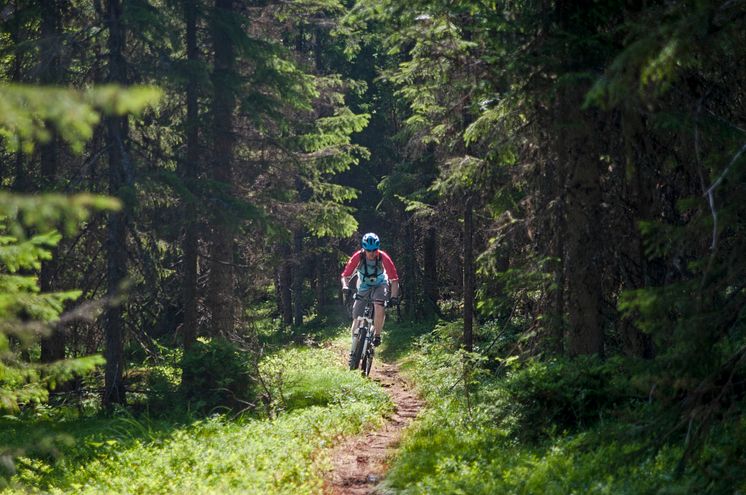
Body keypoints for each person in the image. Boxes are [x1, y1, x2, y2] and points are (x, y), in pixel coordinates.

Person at [340, 232, 400, 347]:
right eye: (369, 250)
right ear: (364, 249)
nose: (372, 253)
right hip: (364, 285)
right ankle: (354, 348)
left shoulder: (383, 257)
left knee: (379, 304)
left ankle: (377, 335)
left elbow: (394, 279)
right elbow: (345, 276)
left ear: (378, 248)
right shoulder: (358, 256)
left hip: (380, 283)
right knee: (356, 316)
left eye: (374, 250)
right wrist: (345, 286)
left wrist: (393, 297)